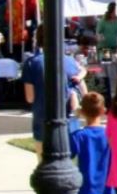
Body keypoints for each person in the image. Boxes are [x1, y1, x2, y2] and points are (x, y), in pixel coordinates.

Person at [23, 25, 85, 160]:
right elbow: (82, 89)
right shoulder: (70, 61)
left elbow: (30, 97)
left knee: (44, 164)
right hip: (69, 123)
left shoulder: (31, 63)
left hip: (42, 122)